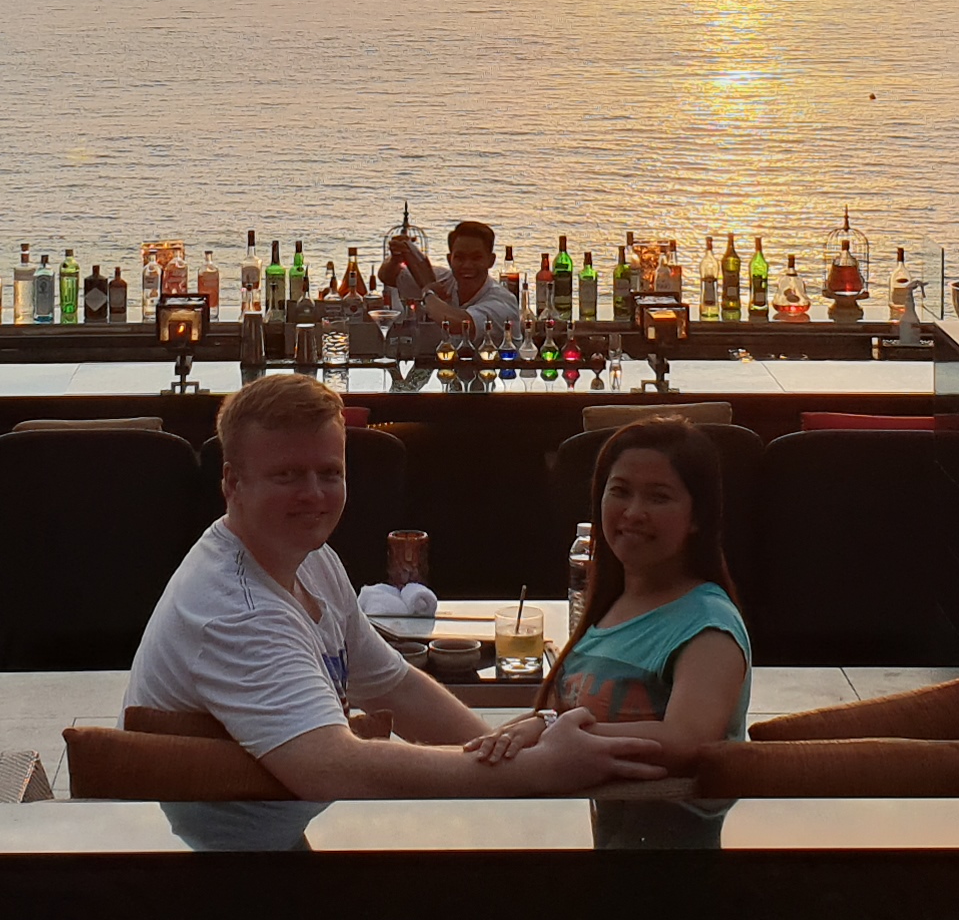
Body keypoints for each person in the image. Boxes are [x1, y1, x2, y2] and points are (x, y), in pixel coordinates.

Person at [124, 373, 675, 796]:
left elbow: (394, 687)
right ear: (232, 483)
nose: (313, 494)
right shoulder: (236, 610)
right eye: (286, 475)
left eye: (329, 473)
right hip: (209, 867)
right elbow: (333, 769)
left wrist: (499, 747)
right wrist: (536, 771)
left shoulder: (309, 561)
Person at [473, 419, 751, 769]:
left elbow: (688, 739)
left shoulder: (708, 625)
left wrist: (549, 728)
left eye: (659, 497)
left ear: (698, 516)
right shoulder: (611, 606)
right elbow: (557, 720)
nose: (633, 513)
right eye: (620, 491)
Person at [378, 218, 524, 347]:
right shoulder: (442, 278)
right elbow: (388, 276)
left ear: (491, 261)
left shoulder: (503, 302)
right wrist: (396, 257)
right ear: (449, 259)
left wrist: (428, 293)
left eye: (476, 258)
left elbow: (458, 324)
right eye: (460, 257)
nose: (467, 265)